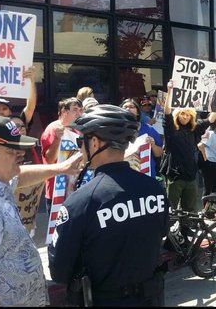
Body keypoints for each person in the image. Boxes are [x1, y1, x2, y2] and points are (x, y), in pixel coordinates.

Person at [48, 105, 170, 306]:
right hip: (151, 298)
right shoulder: (154, 187)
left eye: (82, 141)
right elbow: (162, 231)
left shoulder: (81, 202)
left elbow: (59, 270)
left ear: (94, 143)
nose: (80, 147)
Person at [0, 115, 82, 306]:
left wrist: (61, 168)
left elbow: (21, 175)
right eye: (12, 149)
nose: (20, 154)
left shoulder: (1, 180)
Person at [161, 80, 216, 214]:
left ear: (191, 115)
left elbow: (212, 118)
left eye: (188, 114)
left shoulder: (195, 128)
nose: (185, 116)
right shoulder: (171, 128)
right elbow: (167, 112)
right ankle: (168, 233)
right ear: (178, 115)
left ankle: (186, 231)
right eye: (182, 114)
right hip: (175, 177)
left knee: (190, 210)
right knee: (171, 210)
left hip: (191, 176)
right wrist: (170, 91)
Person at [41, 97, 83, 213]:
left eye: (81, 110)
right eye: (75, 109)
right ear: (64, 111)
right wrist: (58, 139)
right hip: (57, 189)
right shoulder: (53, 129)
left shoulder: (77, 130)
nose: (79, 113)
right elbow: (49, 159)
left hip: (74, 188)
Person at [120, 99, 164, 178]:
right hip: (123, 176)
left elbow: (159, 153)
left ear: (137, 112)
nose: (128, 109)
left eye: (131, 107)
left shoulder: (149, 129)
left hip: (146, 176)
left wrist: (153, 145)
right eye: (125, 107)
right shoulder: (116, 130)